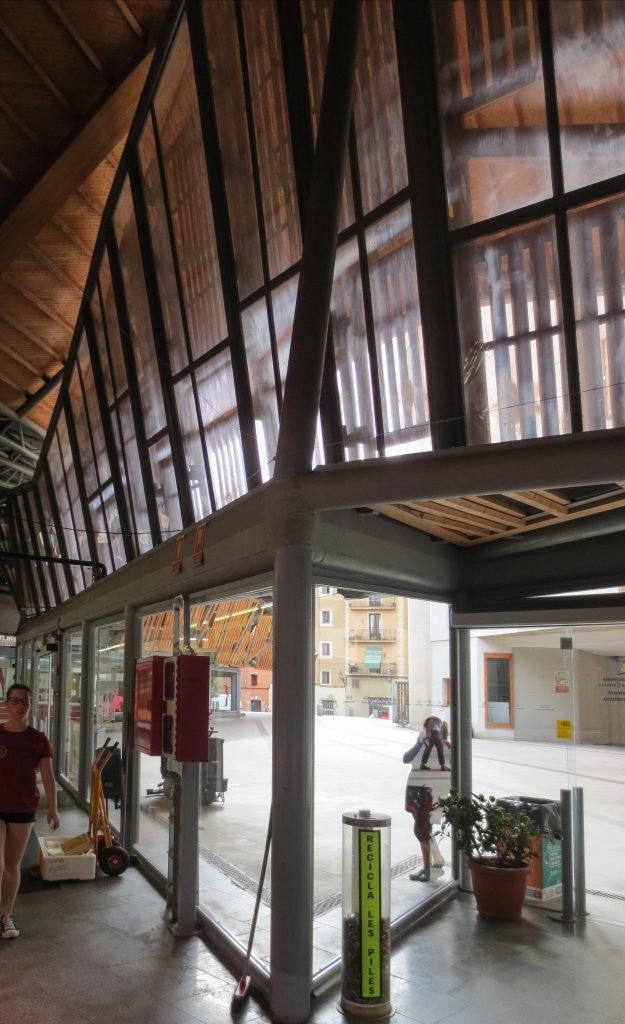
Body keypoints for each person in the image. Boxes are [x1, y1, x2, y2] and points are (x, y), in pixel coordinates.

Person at [0, 683, 60, 939]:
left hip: (23, 808)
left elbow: (47, 776)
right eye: (14, 700)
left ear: (31, 705)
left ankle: (6, 916)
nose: (20, 706)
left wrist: (53, 808)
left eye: (25, 701)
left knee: (11, 865)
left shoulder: (38, 739)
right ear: (6, 704)